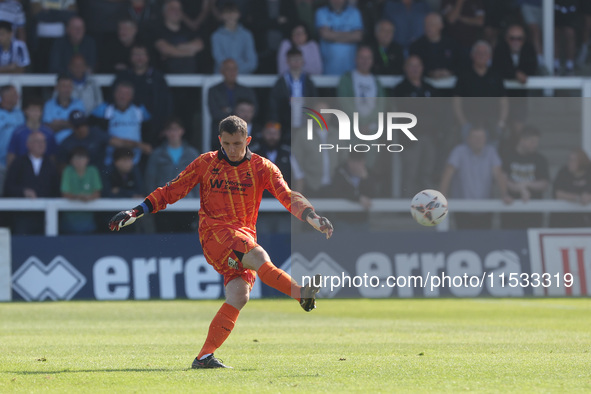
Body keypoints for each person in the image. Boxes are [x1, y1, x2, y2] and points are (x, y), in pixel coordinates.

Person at [108, 115, 333, 369]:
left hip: (244, 235)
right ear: (220, 141)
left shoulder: (262, 167)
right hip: (215, 234)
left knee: (239, 295)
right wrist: (135, 211)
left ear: (247, 140)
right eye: (226, 144)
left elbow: (287, 195)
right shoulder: (206, 163)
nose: (232, 150)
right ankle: (300, 293)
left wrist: (312, 217)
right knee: (259, 257)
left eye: (237, 143)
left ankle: (204, 357)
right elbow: (172, 190)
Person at [439, 127, 511, 229]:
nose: (479, 140)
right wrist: (442, 195)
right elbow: (448, 173)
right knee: (463, 241)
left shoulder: (491, 151)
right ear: (468, 139)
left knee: (484, 242)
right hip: (462, 209)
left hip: (485, 209)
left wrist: (504, 194)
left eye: (481, 137)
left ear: (486, 139)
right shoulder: (459, 151)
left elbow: (498, 174)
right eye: (475, 137)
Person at [392, 55, 440, 197]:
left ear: (422, 68)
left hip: (430, 138)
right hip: (410, 139)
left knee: (427, 173)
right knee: (410, 174)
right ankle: (407, 210)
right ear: (405, 68)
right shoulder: (400, 89)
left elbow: (437, 112)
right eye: (411, 65)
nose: (415, 69)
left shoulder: (430, 88)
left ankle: (428, 207)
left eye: (417, 65)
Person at [145, 119, 200, 233]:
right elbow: (150, 179)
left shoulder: (192, 153)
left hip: (188, 205)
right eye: (170, 130)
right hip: (163, 205)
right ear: (165, 133)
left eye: (176, 129)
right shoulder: (157, 154)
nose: (173, 133)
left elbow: (198, 179)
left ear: (182, 131)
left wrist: (198, 201)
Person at [113, 43, 173, 143]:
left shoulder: (157, 78)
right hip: (126, 128)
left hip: (154, 129)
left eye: (142, 54)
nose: (139, 57)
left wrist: (165, 126)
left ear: (148, 57)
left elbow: (167, 104)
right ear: (130, 57)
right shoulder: (123, 76)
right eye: (136, 54)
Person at [3, 131, 60, 235]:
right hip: (22, 216)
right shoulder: (18, 163)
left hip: (45, 216)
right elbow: (8, 187)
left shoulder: (50, 165)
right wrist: (23, 191)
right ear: (28, 144)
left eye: (43, 141)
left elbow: (56, 189)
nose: (41, 144)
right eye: (37, 141)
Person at [453, 40, 507, 142]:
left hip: (492, 122)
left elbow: (503, 101)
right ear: (472, 55)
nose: (481, 56)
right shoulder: (464, 75)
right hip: (470, 122)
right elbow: (457, 102)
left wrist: (501, 122)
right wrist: (463, 123)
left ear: (490, 56)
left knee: (492, 152)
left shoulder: (496, 75)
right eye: (478, 53)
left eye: (485, 53)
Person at [90, 80, 152, 166]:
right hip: (110, 161)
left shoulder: (139, 110)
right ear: (114, 93)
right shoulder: (104, 109)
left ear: (131, 96)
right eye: (120, 93)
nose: (122, 96)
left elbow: (149, 130)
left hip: (135, 161)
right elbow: (94, 130)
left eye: (126, 94)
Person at [501, 126, 549, 229]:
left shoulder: (540, 159)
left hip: (533, 214)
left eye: (536, 142)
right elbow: (502, 178)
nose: (535, 145)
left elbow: (544, 184)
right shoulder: (507, 156)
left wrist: (526, 184)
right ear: (522, 139)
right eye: (532, 141)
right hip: (510, 213)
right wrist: (519, 188)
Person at [269, 48, 317, 142]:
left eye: (298, 59)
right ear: (287, 61)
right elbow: (274, 106)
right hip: (286, 126)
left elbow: (314, 103)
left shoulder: (308, 82)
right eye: (293, 59)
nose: (296, 62)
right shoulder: (280, 83)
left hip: (305, 124)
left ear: (303, 61)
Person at [208, 58, 257, 136]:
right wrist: (238, 113)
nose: (232, 72)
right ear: (222, 71)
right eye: (228, 69)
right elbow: (216, 114)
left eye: (234, 69)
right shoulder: (214, 90)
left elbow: (254, 111)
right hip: (220, 135)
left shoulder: (247, 91)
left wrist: (228, 110)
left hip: (244, 133)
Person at [60, 146, 102, 234]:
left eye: (82, 158)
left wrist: (88, 197)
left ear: (87, 160)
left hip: (89, 223)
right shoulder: (68, 171)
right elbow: (65, 193)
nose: (79, 161)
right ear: (71, 161)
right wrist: (79, 197)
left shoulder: (93, 171)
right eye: (76, 159)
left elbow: (97, 192)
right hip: (69, 224)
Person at [153, 0, 204, 74]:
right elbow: (165, 49)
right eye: (172, 9)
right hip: (166, 78)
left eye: (179, 9)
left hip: (191, 77)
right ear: (164, 12)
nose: (176, 11)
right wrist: (190, 52)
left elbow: (199, 45)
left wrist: (174, 49)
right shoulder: (157, 31)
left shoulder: (188, 30)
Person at [6, 97, 57, 168]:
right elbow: (11, 154)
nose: (35, 113)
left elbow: (52, 156)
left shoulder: (49, 133)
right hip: (22, 170)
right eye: (32, 110)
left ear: (41, 112)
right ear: (26, 111)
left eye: (38, 110)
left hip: (43, 171)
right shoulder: (18, 133)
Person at [316, 0, 363, 75]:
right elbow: (325, 35)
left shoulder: (355, 13)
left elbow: (358, 36)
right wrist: (349, 36)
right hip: (328, 70)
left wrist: (332, 35)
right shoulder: (321, 12)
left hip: (350, 70)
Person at [409, 12, 460, 78]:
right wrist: (430, 73)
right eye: (426, 24)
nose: (428, 27)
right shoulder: (416, 46)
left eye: (432, 24)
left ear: (441, 25)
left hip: (450, 81)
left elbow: (460, 64)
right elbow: (412, 68)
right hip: (425, 82)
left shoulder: (452, 44)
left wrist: (450, 72)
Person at [211, 2, 258, 74]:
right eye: (227, 12)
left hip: (244, 78)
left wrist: (235, 71)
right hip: (222, 78)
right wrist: (231, 71)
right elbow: (219, 59)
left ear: (239, 14)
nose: (230, 15)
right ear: (222, 15)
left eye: (233, 12)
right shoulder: (216, 36)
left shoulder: (247, 35)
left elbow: (252, 62)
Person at [550, 148, 591, 228]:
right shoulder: (563, 173)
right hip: (562, 220)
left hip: (584, 221)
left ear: (582, 162)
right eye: (569, 159)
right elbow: (558, 194)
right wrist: (578, 198)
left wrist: (588, 197)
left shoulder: (589, 173)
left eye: (573, 160)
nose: (569, 163)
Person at [42, 74, 86, 144]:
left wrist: (59, 123)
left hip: (75, 145)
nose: (67, 89)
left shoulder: (79, 104)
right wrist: (71, 124)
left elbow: (82, 128)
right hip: (55, 145)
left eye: (69, 86)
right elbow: (48, 129)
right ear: (57, 88)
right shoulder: (49, 105)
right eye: (64, 86)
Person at [0, 85, 25, 172]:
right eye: (14, 94)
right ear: (5, 96)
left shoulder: (20, 114)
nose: (18, 97)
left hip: (17, 161)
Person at [554, 0, 578, 75]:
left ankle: (569, 65)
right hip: (555, 6)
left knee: (570, 34)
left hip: (570, 6)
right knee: (555, 34)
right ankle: (555, 64)